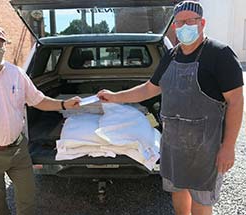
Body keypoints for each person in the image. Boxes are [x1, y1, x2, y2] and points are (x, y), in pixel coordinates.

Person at [97, 1, 244, 215]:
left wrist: (228, 146)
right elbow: (149, 89)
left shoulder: (220, 55)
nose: (184, 26)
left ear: (201, 23)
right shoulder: (171, 55)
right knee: (178, 190)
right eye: (179, 22)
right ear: (174, 26)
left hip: (206, 148)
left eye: (190, 21)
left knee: (201, 200)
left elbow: (236, 102)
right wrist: (114, 97)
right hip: (174, 144)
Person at [0, 24, 80, 215]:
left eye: (0, 43)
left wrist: (63, 105)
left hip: (18, 149)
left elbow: (38, 100)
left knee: (27, 199)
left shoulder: (16, 73)